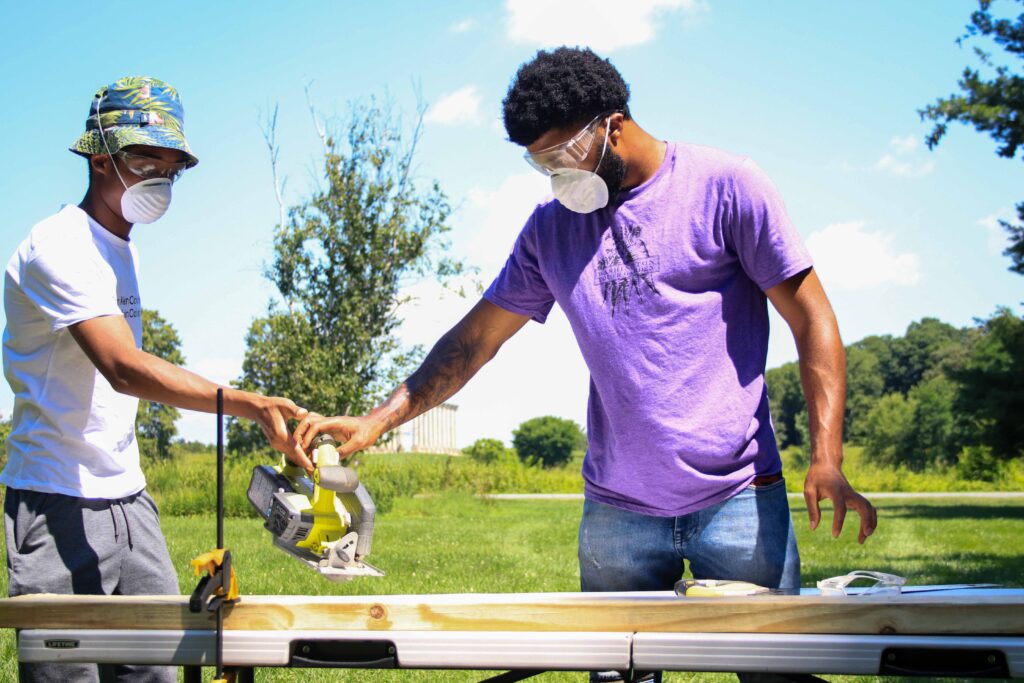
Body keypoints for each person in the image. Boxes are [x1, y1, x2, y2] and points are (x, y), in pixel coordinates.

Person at [292, 48, 878, 682]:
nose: (553, 173)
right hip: (617, 512)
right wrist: (380, 420)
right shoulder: (550, 230)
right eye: (539, 162)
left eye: (563, 154)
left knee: (776, 674)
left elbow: (812, 317)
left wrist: (826, 455)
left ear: (613, 125)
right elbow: (475, 340)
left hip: (738, 498)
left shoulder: (726, 185)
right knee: (614, 673)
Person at [2, 76, 311, 683]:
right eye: (146, 159)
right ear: (99, 154)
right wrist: (246, 403)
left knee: (156, 670)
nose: (159, 179)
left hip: (130, 498)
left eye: (171, 167)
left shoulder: (123, 247)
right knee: (67, 673)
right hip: (56, 498)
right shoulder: (57, 244)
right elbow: (122, 369)